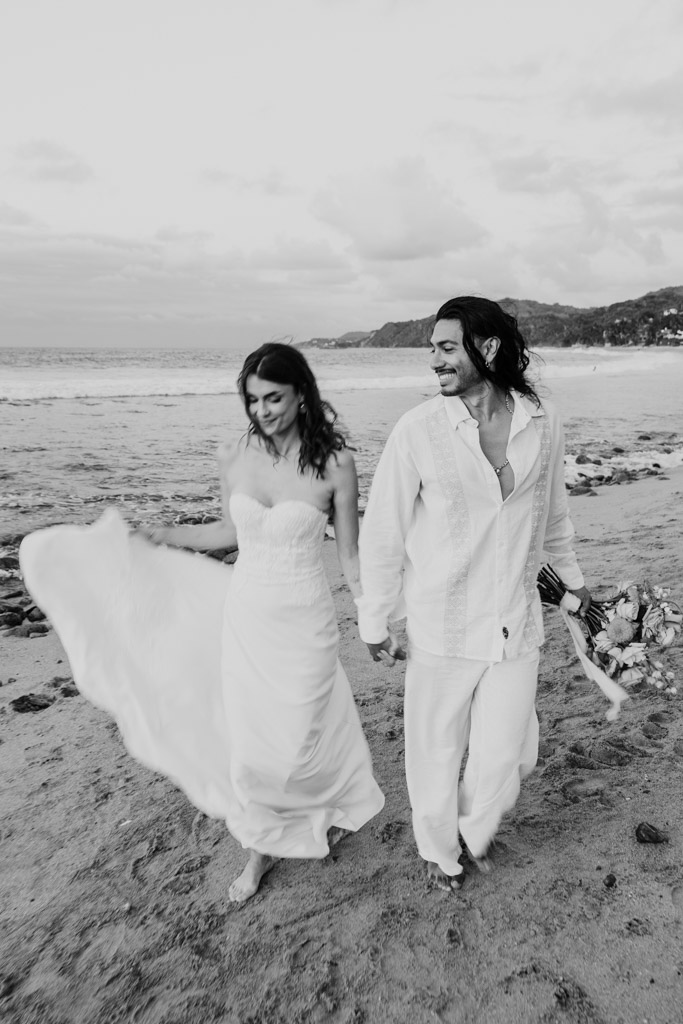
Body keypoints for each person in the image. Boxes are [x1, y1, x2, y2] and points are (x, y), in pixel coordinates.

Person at [20, 343, 384, 903]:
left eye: (274, 398)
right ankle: (259, 848)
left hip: (305, 620)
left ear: (302, 394)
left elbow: (350, 554)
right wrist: (162, 536)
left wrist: (372, 617)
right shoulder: (235, 455)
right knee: (252, 741)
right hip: (246, 615)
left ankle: (315, 806)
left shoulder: (336, 464)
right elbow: (228, 532)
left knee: (298, 736)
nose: (262, 411)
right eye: (253, 400)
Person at [356, 296, 590, 892]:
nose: (433, 359)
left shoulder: (543, 419)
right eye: (432, 348)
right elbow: (383, 529)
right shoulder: (418, 429)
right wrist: (374, 618)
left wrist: (576, 584)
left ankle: (474, 826)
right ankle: (441, 851)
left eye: (445, 347)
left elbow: (554, 514)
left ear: (487, 347)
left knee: (509, 753)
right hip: (443, 620)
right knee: (434, 752)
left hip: (515, 616)